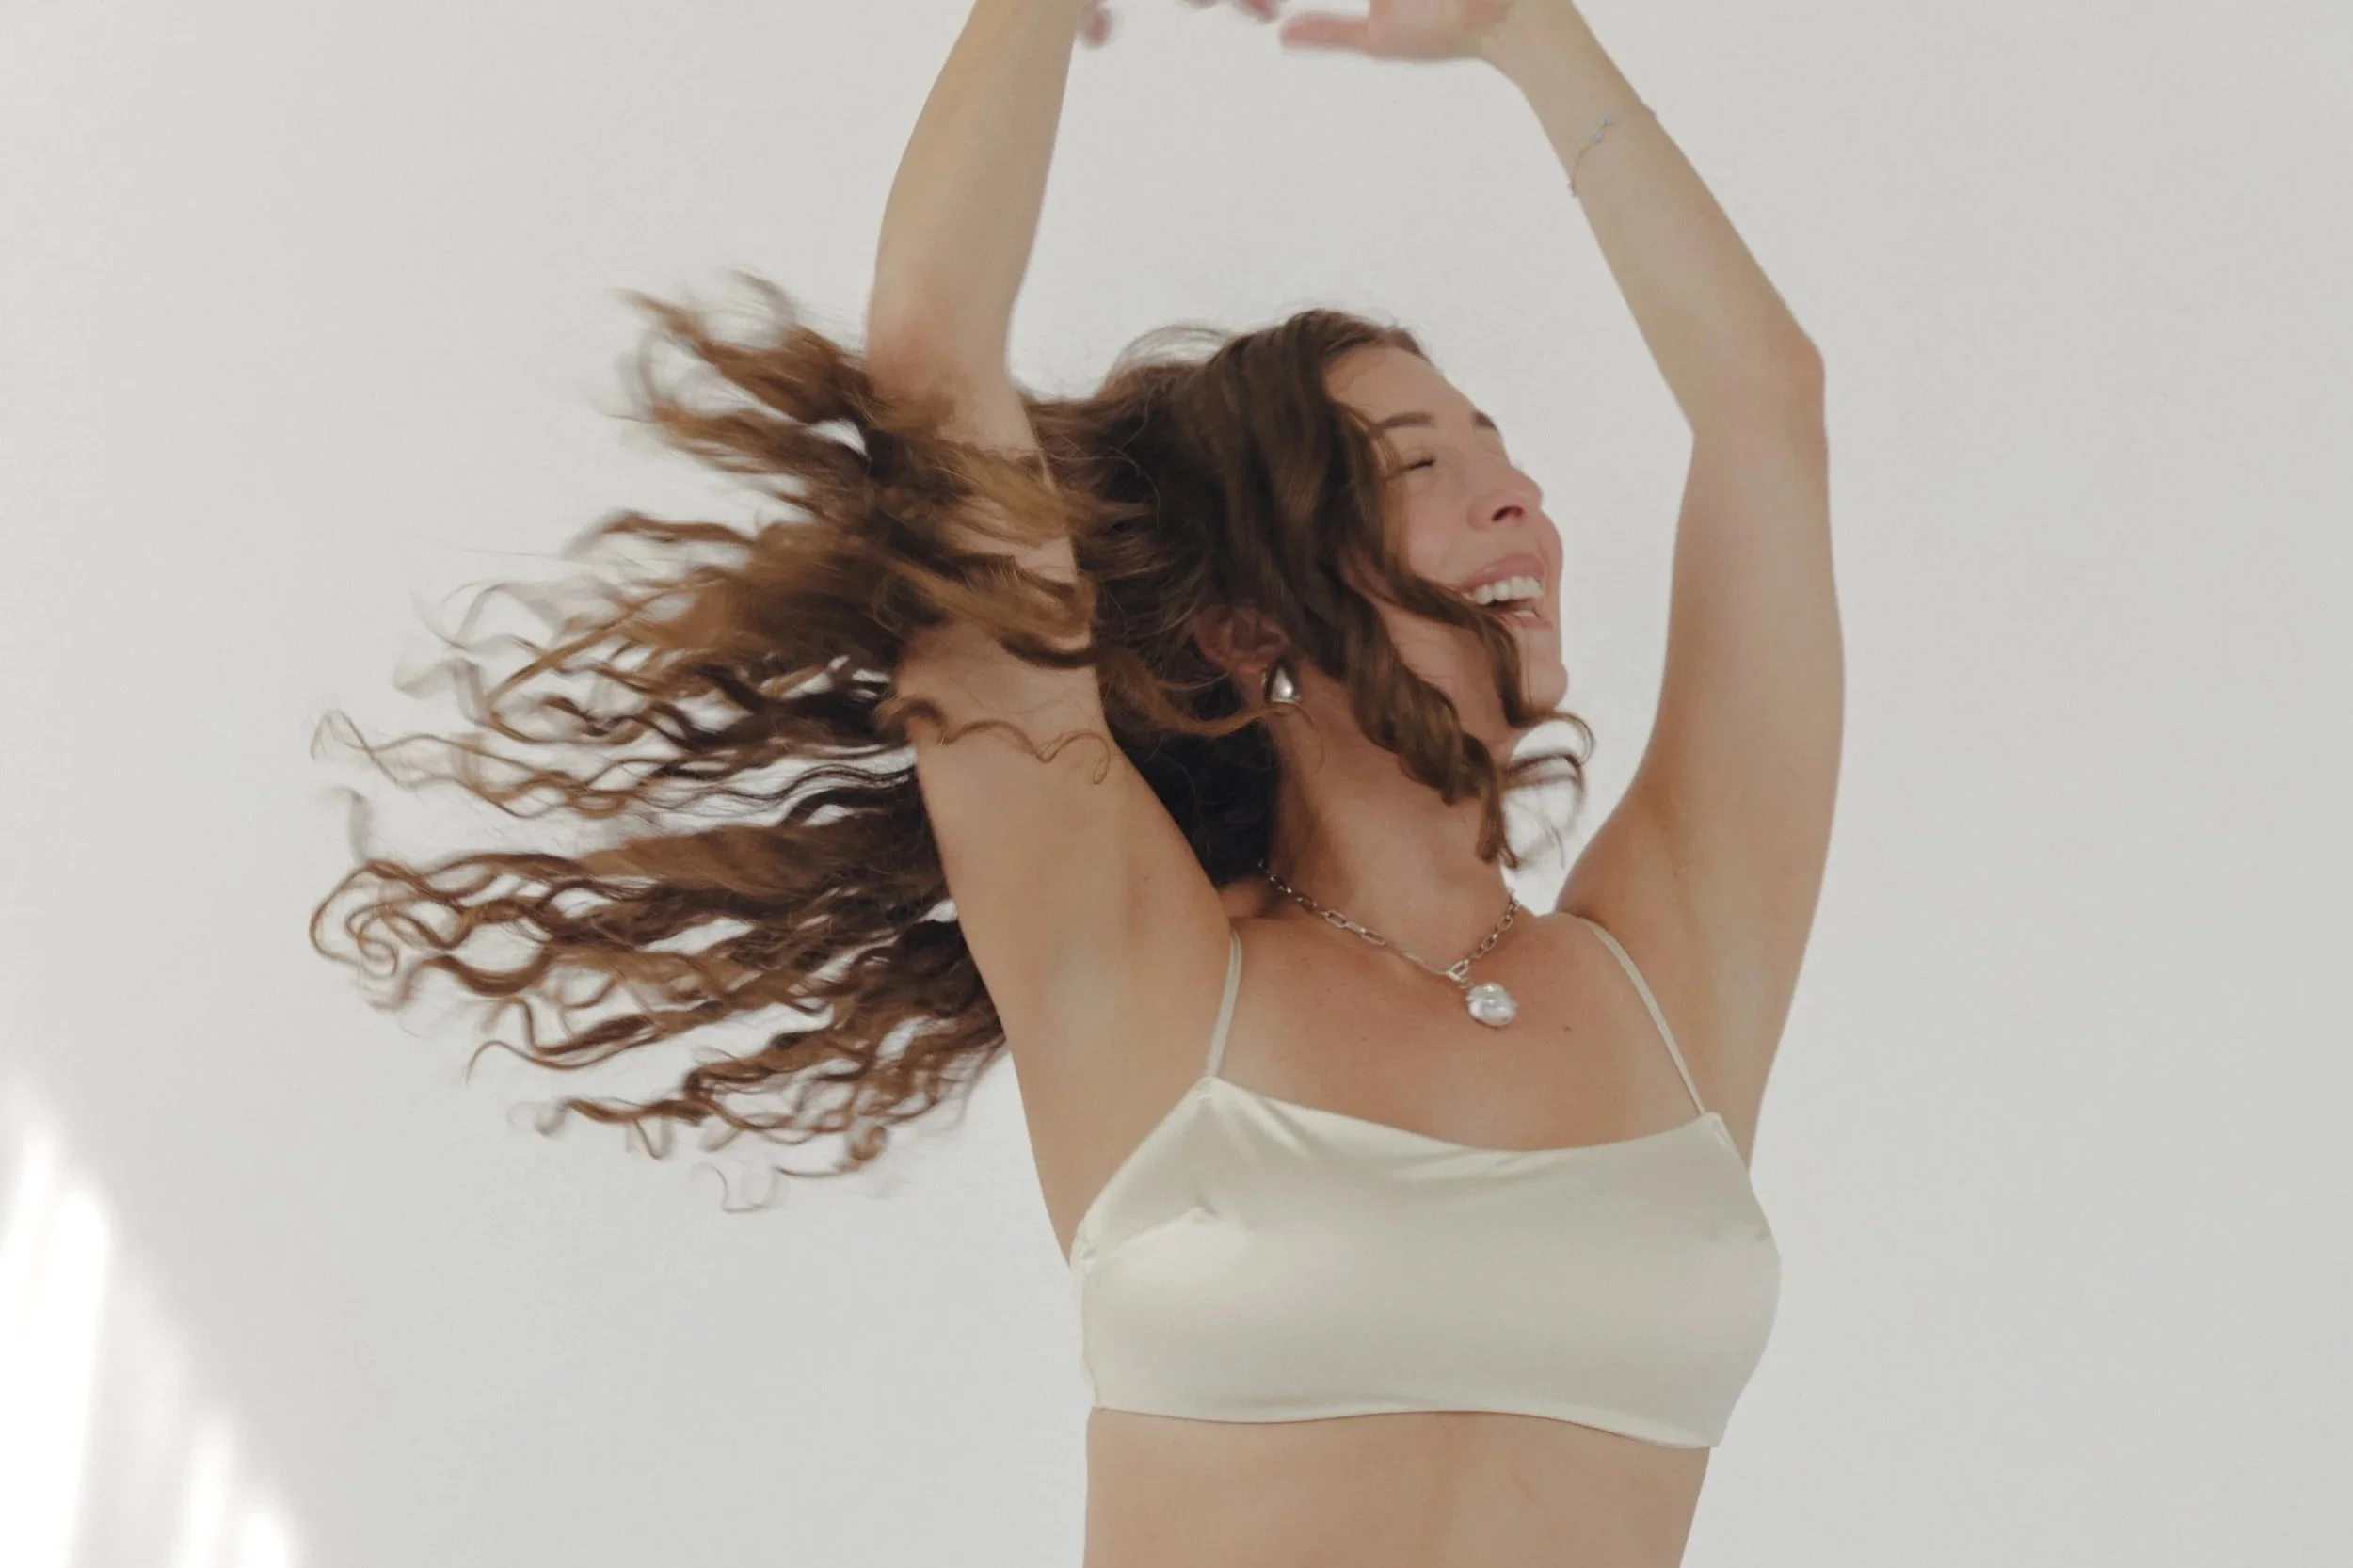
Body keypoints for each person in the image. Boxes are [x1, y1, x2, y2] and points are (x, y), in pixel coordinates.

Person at [310, 1, 1839, 1562]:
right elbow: (927, 360)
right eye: (1416, 468)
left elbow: (1767, 407)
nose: (1513, 495)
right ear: (1248, 630)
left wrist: (1533, 35)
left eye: (1497, 449)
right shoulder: (1144, 967)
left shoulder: (1668, 965)